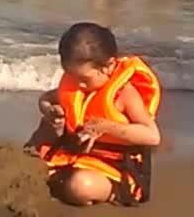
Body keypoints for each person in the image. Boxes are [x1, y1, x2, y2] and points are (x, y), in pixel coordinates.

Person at [26, 23, 161, 206]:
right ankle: (55, 178)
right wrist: (49, 111)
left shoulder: (124, 94)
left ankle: (110, 193)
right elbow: (45, 99)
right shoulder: (75, 85)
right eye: (72, 76)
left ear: (108, 66)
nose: (78, 85)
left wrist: (106, 126)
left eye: (83, 79)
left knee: (80, 186)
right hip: (74, 155)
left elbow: (152, 136)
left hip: (114, 168)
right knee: (39, 143)